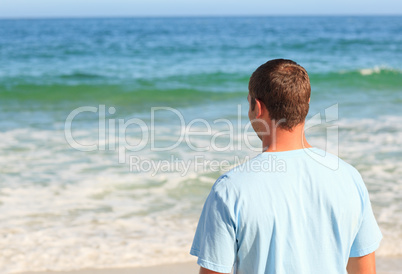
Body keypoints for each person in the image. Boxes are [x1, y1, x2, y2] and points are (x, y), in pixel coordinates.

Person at [190, 59, 382, 274]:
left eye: (249, 103)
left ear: (258, 108)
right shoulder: (349, 177)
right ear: (306, 103)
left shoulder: (230, 189)